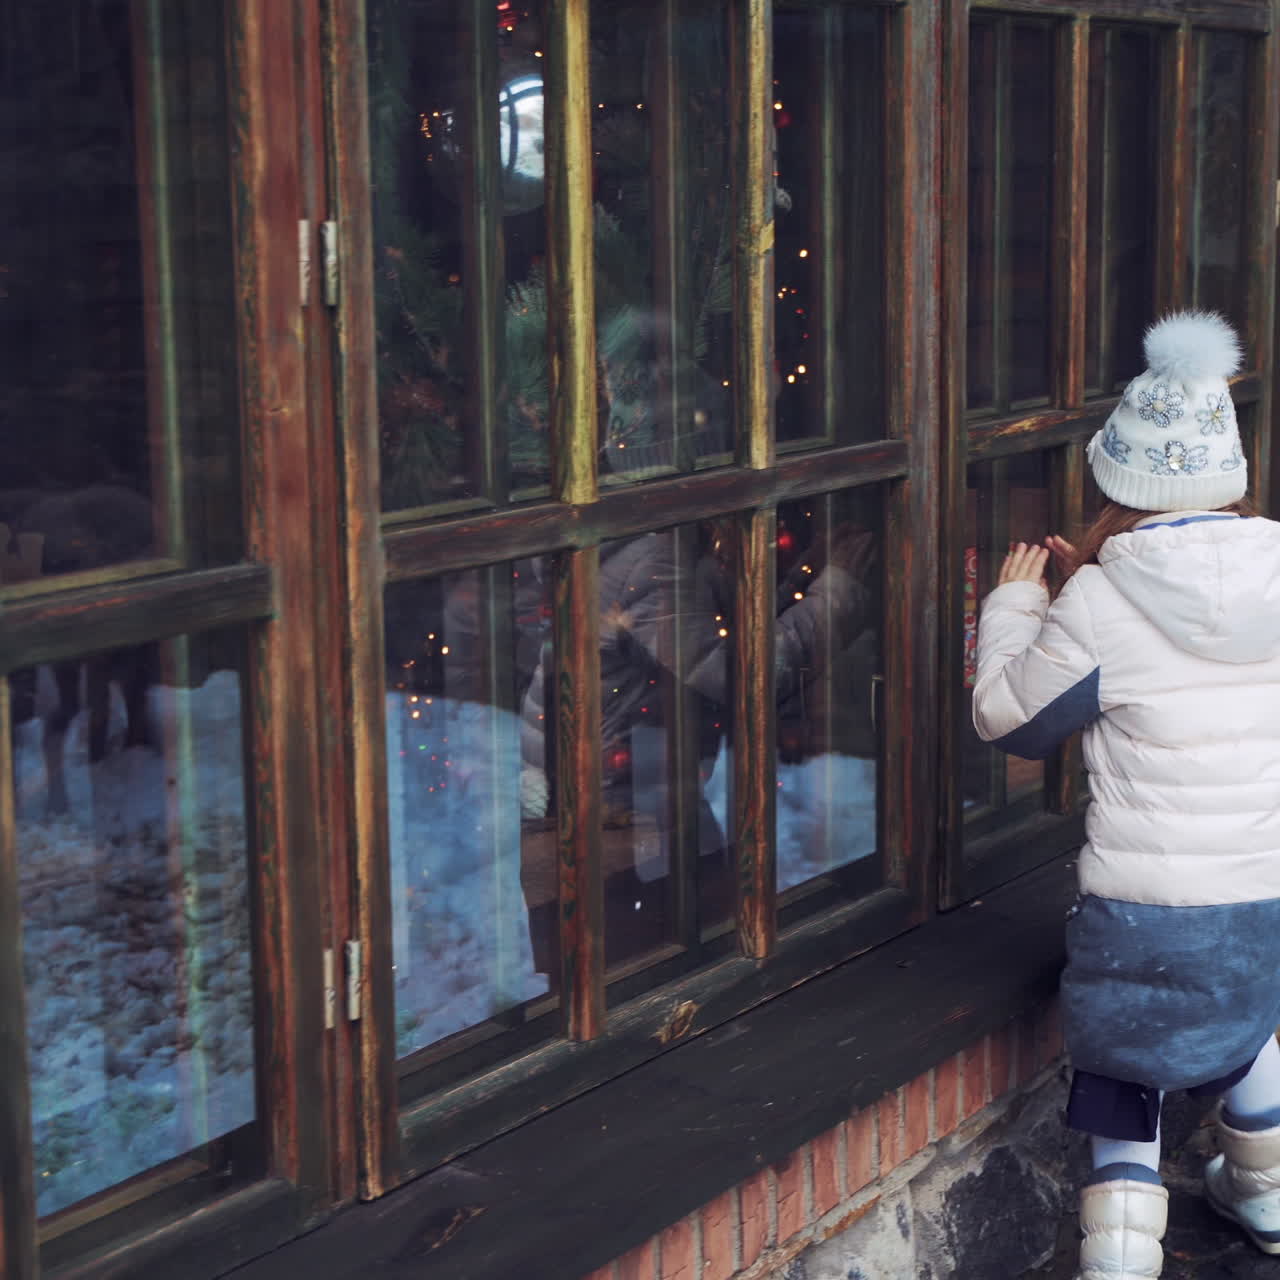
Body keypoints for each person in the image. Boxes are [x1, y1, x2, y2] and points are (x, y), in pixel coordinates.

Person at [973, 310, 1280, 1279]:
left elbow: (1010, 720)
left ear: (1116, 483)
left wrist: (1022, 602)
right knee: (1247, 1017)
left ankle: (1117, 1254)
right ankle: (1265, 1193)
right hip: (1257, 888)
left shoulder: (1097, 600)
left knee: (1122, 1064)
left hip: (1140, 905)